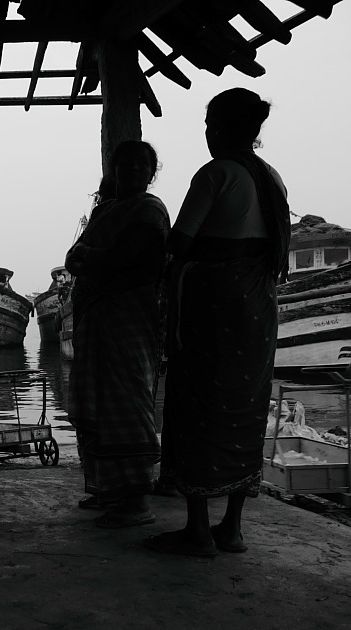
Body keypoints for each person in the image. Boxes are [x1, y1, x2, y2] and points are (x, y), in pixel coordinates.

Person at [145, 88, 289, 557]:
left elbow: (179, 243)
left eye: (209, 125)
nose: (207, 134)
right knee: (243, 410)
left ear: (222, 128)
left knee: (196, 408)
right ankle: (232, 529)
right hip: (256, 310)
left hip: (212, 307)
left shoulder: (216, 173)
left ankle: (197, 531)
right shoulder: (272, 179)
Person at [65, 140, 170, 527]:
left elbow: (128, 261)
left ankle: (137, 500)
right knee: (98, 405)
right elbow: (73, 257)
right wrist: (92, 260)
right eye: (126, 163)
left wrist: (92, 260)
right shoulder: (106, 210)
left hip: (128, 320)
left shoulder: (149, 210)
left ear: (152, 172)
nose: (133, 170)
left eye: (142, 165)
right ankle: (111, 490)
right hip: (98, 321)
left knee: (127, 403)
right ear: (114, 168)